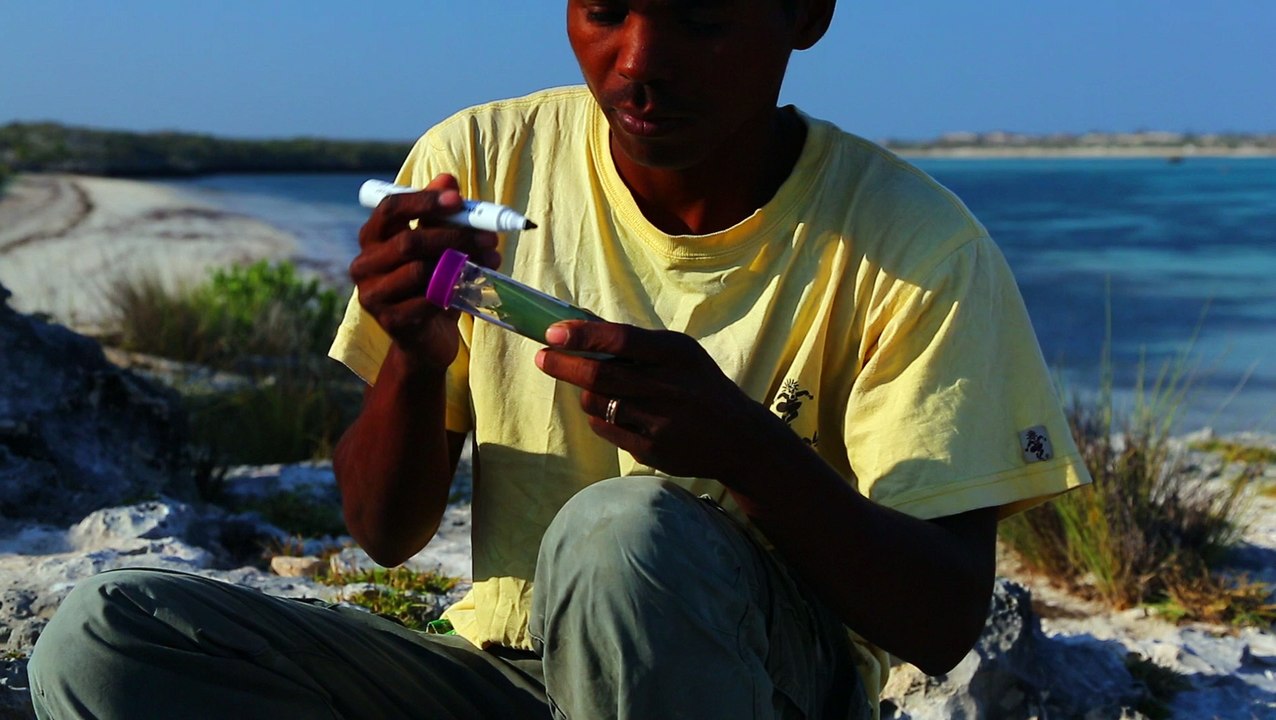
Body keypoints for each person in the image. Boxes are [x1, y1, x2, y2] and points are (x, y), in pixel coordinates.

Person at [28, 1, 1090, 718]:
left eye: (701, 20)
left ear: (805, 13)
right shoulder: (481, 161)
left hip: (745, 683)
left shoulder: (914, 247)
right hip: (501, 674)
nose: (639, 64)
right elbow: (384, 533)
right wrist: (412, 351)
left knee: (620, 530)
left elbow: (942, 621)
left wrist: (747, 453)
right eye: (602, 11)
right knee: (106, 637)